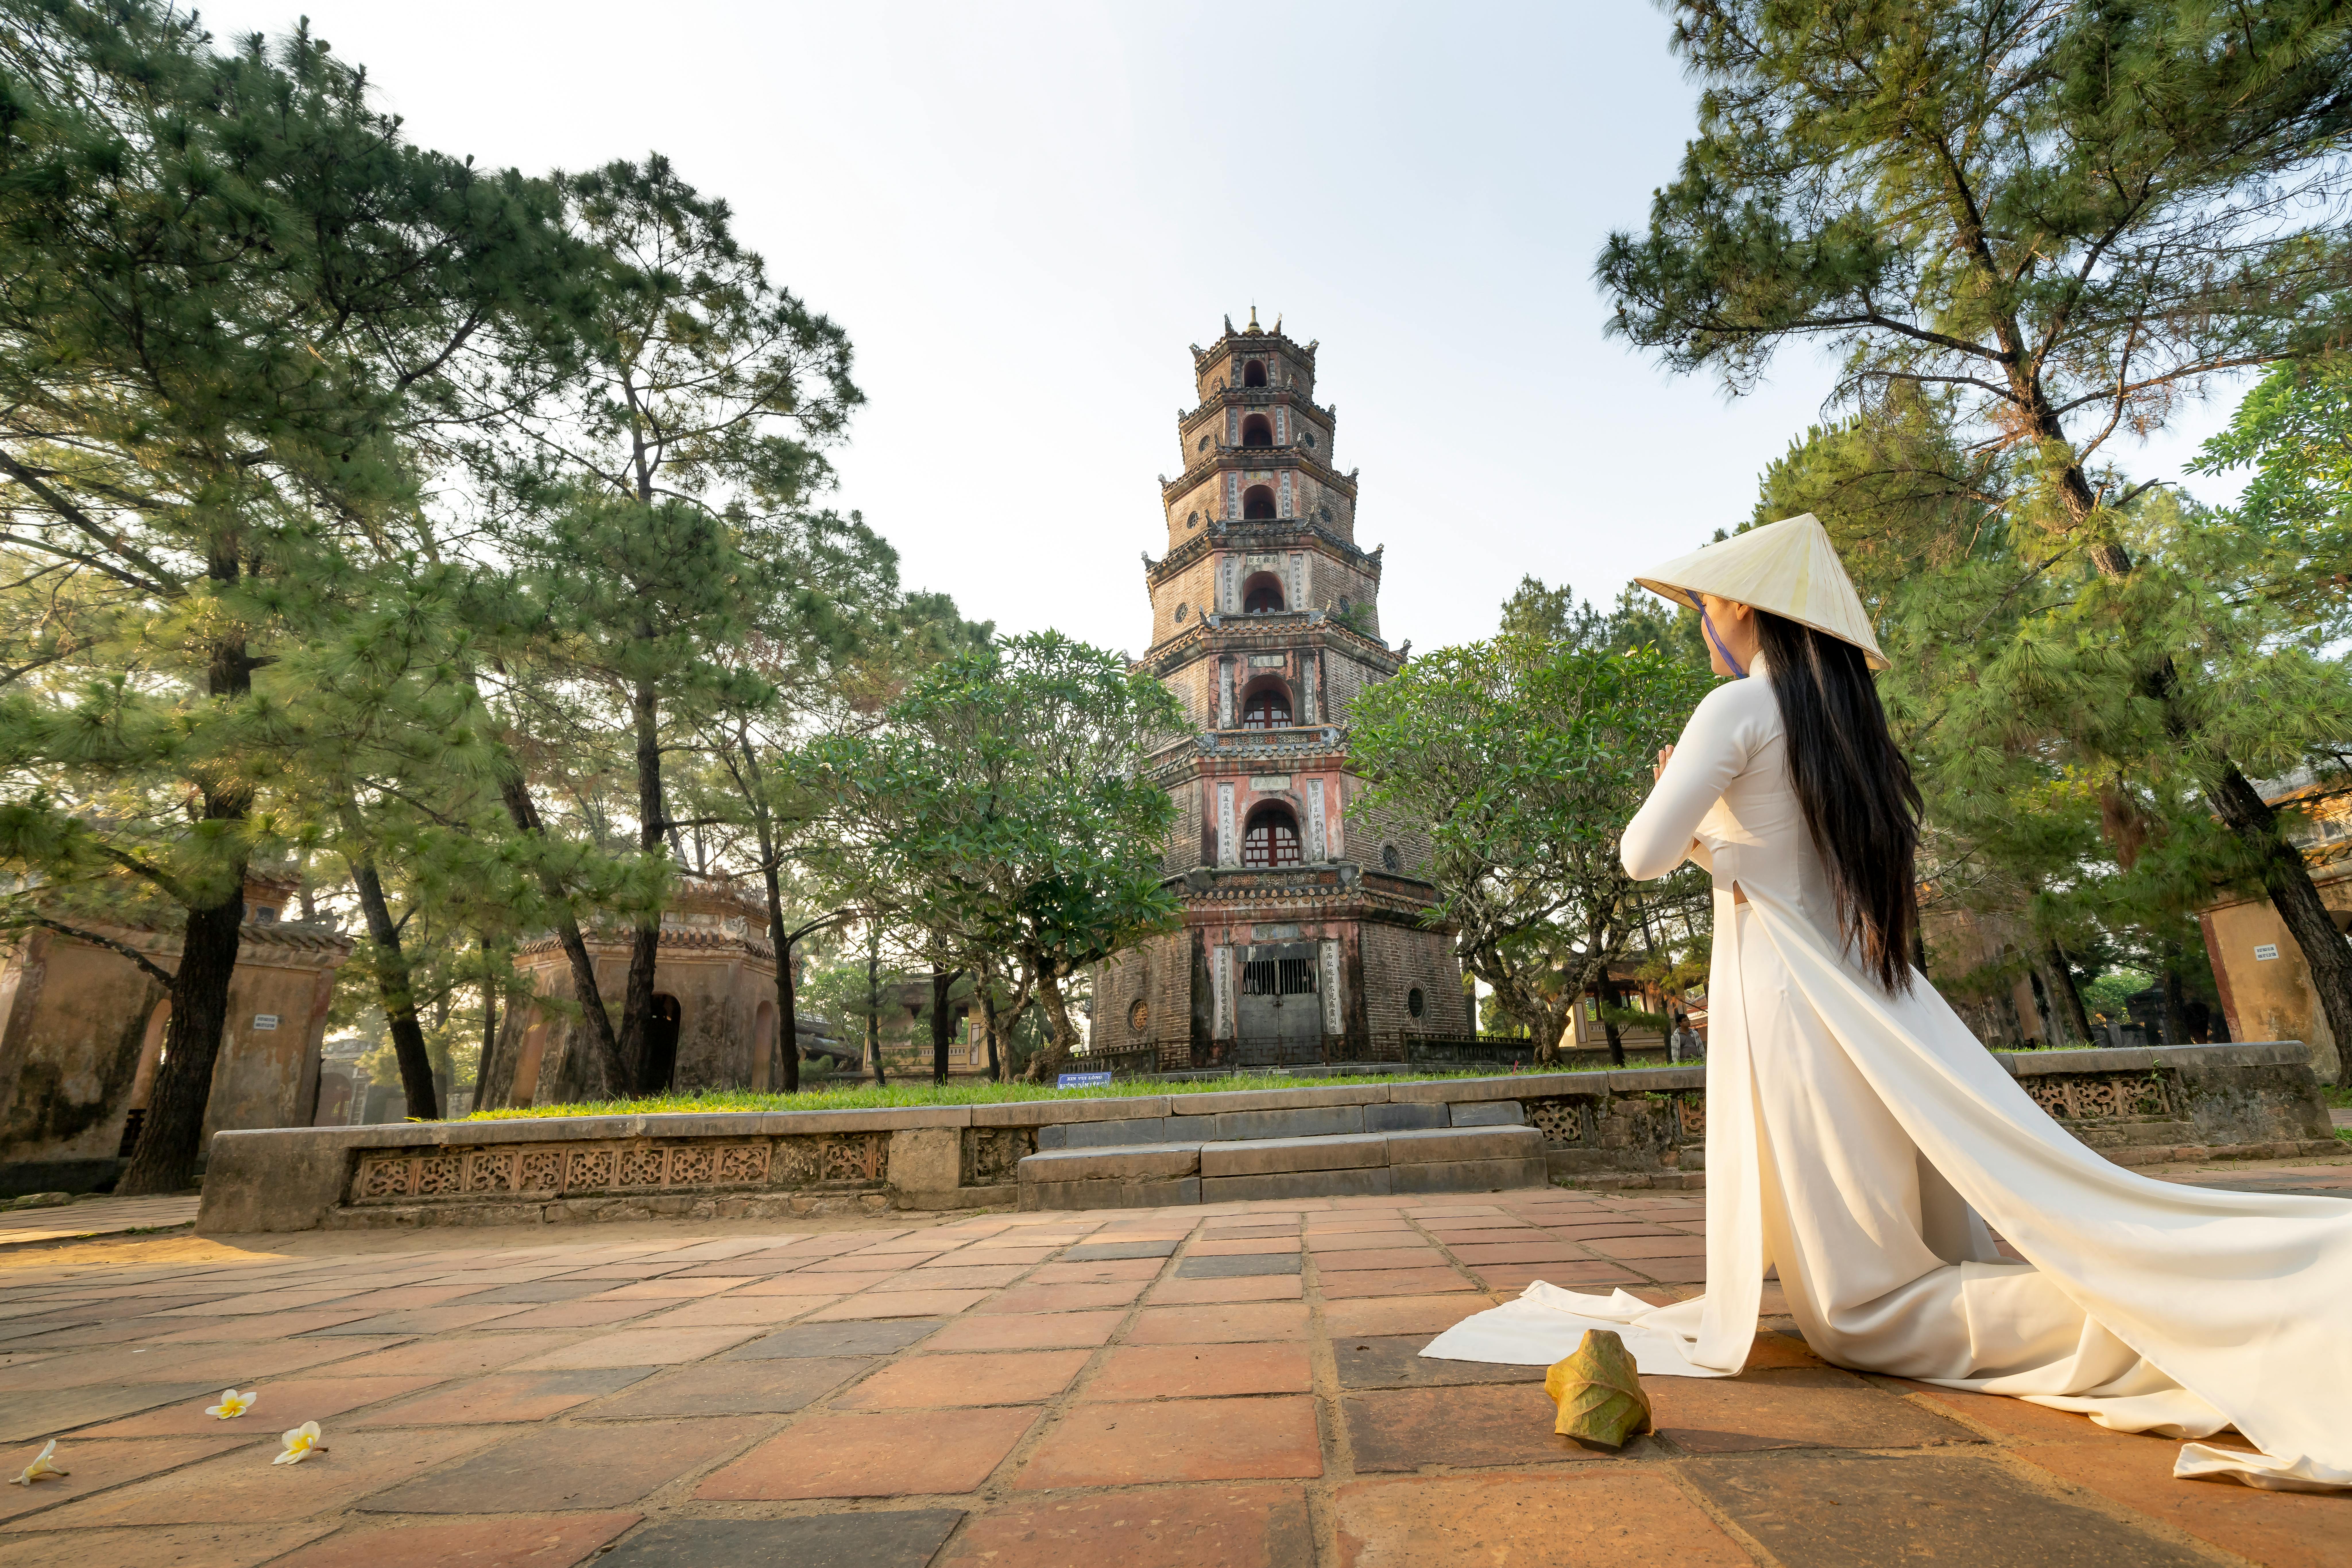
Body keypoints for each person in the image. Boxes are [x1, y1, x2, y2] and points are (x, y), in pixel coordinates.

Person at [1425, 513, 2351, 1491]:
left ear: (1742, 608)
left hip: (1795, 1009)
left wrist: (1689, 821)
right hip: (1876, 1002)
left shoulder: (1735, 710)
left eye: (1705, 608)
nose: (1702, 625)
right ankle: (2242, 1286)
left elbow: (1640, 854)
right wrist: (1729, 851)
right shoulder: (1850, 729)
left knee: (1859, 1315)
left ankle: (2246, 1313)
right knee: (1893, 1270)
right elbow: (1801, 870)